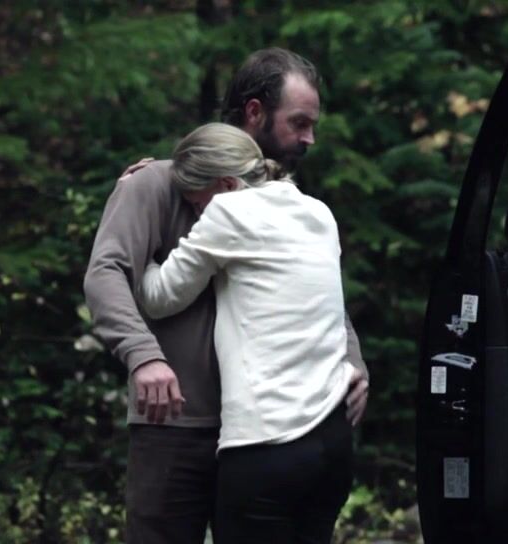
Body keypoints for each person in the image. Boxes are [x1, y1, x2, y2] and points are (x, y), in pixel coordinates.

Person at [82, 48, 369, 544]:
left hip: (270, 434)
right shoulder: (155, 184)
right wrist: (142, 354)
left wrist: (352, 359)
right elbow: (106, 273)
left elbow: (320, 296)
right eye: (299, 122)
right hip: (177, 425)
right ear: (255, 112)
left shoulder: (291, 203)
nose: (309, 138)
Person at [140, 122, 354, 544]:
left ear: (226, 184)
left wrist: (143, 250)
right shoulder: (318, 212)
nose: (197, 215)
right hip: (334, 442)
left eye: (197, 204)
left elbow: (160, 296)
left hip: (267, 443)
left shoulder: (229, 211)